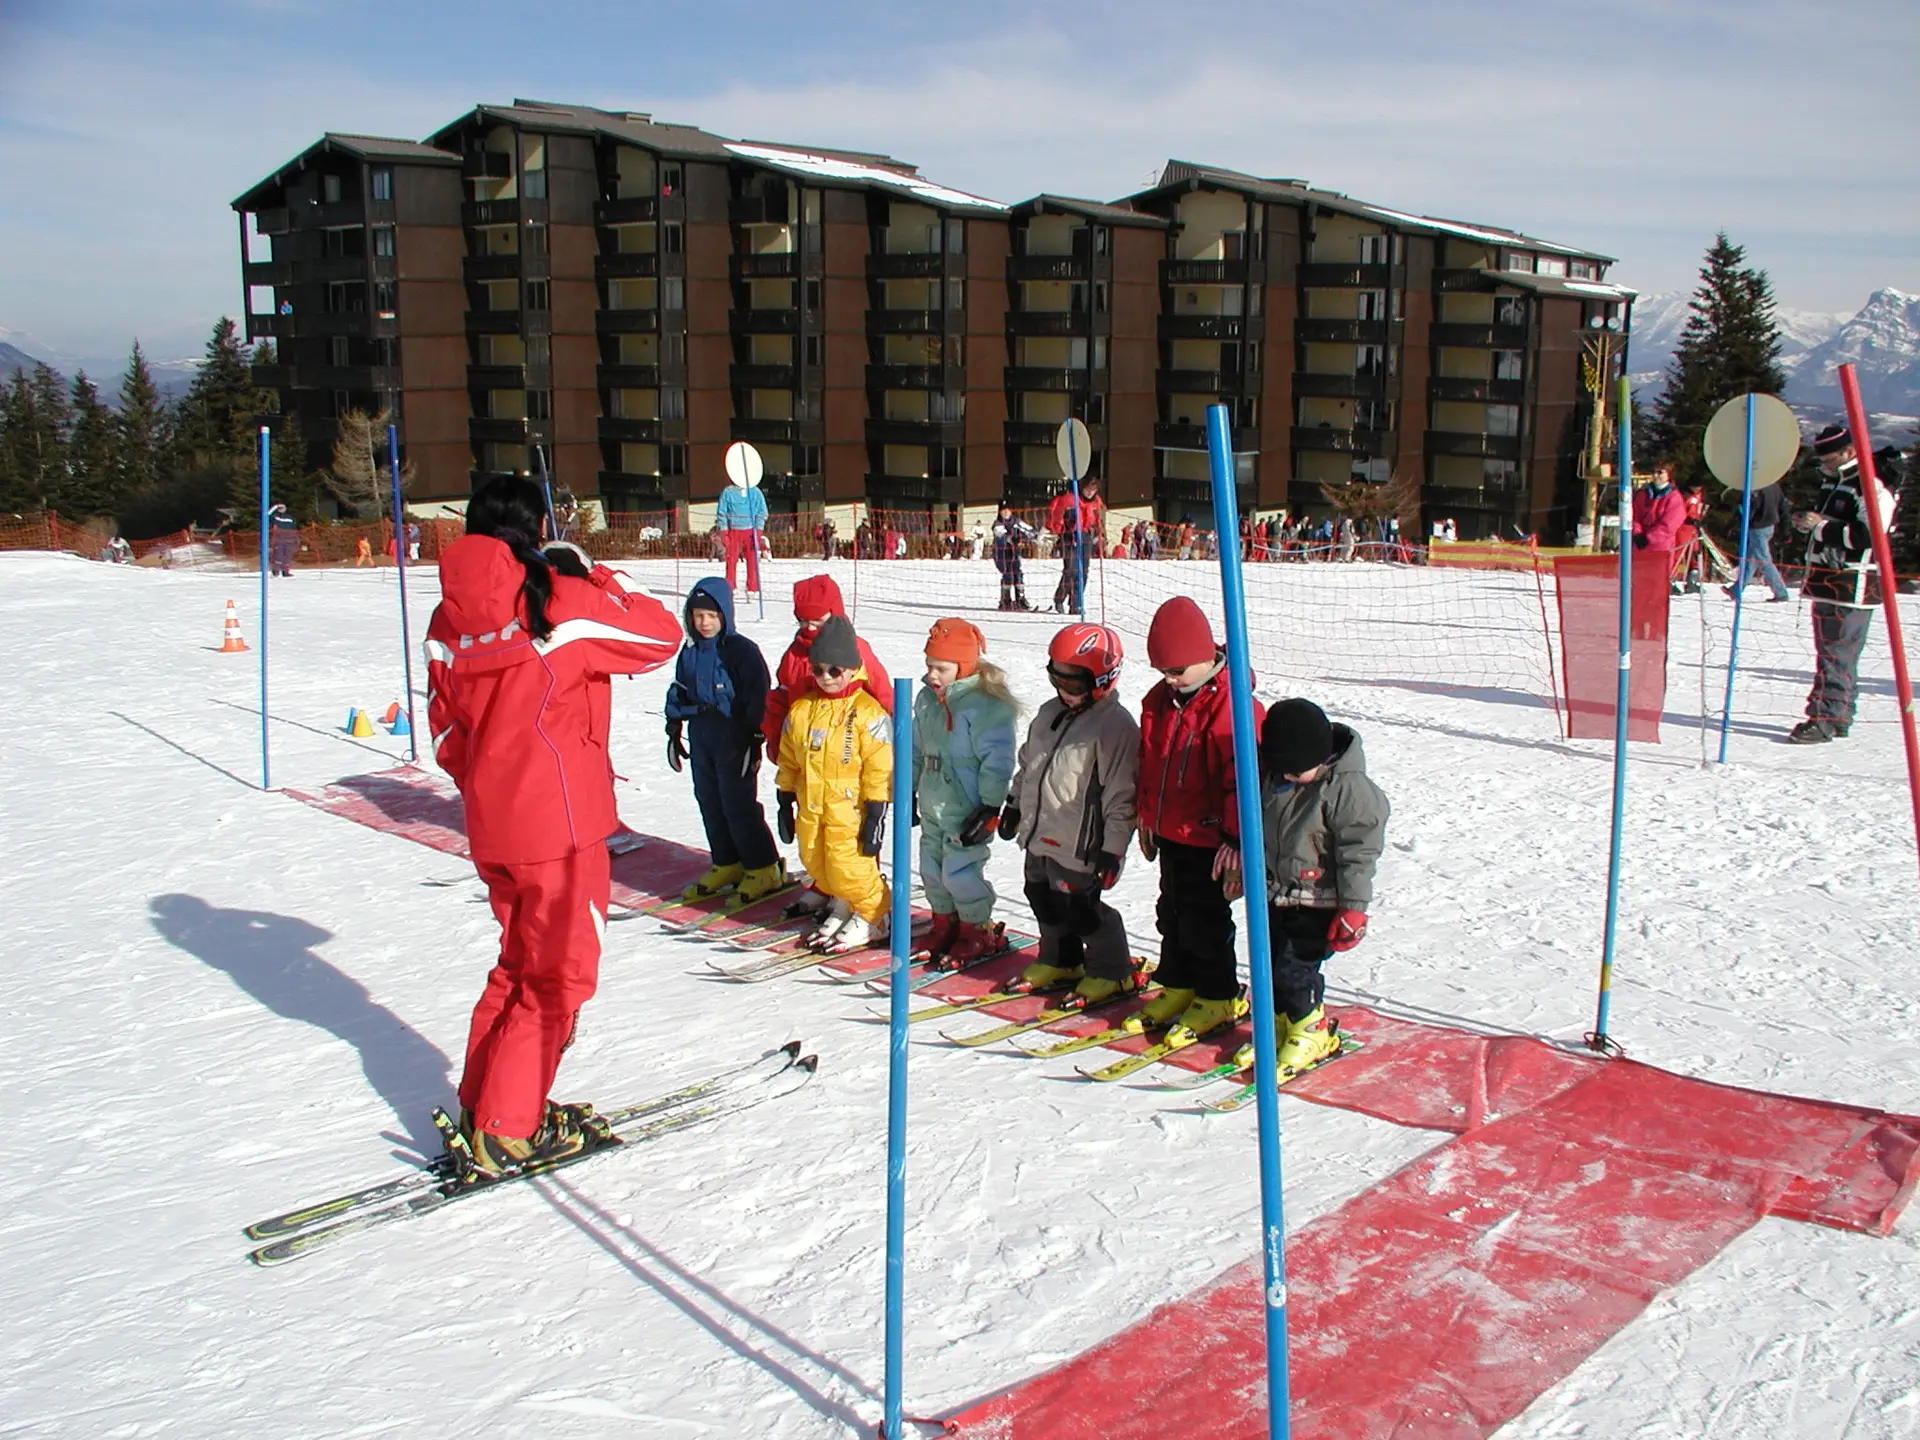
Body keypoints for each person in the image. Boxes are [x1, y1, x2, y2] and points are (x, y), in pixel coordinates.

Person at [425, 476, 680, 1175]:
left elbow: (444, 727)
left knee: (519, 963)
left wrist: (487, 785)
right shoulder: (556, 602)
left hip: (494, 822)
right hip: (560, 824)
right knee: (559, 976)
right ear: (537, 528)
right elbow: (660, 635)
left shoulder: (448, 618)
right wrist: (600, 574)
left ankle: (491, 1105)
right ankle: (509, 1126)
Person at [1130, 597, 1260, 1045]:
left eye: (1177, 671)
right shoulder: (1160, 700)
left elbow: (1242, 777)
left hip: (1210, 838)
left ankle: (1218, 993)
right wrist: (1146, 815)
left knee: (1204, 919)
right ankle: (1180, 984)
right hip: (1171, 830)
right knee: (1171, 912)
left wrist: (1236, 836)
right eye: (1163, 672)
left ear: (1205, 658)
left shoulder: (1231, 706)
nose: (1169, 680)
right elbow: (1150, 761)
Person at [1001, 623, 1140, 1004]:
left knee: (1081, 909)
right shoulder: (1049, 713)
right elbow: (1029, 763)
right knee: (1040, 896)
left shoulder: (1115, 727)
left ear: (1102, 679)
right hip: (1039, 832)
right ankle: (1060, 960)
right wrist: (1014, 804)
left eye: (1074, 684)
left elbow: (1122, 797)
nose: (1063, 690)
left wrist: (1113, 849)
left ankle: (1113, 971)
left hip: (1079, 841)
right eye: (1056, 679)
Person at [1252, 698, 1390, 1078]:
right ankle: (1286, 1023)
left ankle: (1312, 1031)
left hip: (1320, 899)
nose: (1289, 779)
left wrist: (1354, 906)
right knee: (1270, 964)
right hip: (1278, 893)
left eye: (1298, 772)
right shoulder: (1276, 774)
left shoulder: (1350, 791)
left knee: (1294, 970)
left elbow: (1359, 852)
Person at [664, 576, 786, 909]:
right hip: (702, 732)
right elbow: (679, 689)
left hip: (734, 733)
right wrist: (674, 725)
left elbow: (758, 693)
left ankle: (762, 866)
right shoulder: (689, 653)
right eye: (697, 615)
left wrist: (755, 734)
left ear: (725, 616)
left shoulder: (741, 651)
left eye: (711, 616)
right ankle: (727, 861)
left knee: (737, 802)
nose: (704, 623)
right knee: (709, 799)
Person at [774, 615, 893, 953]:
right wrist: (785, 796)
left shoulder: (867, 713)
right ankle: (844, 904)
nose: (825, 678)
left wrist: (875, 810)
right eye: (818, 670)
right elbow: (789, 756)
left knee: (849, 864)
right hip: (812, 803)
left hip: (849, 807)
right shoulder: (801, 710)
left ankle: (874, 914)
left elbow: (879, 764)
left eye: (834, 671)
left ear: (853, 670)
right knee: (817, 860)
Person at [912, 618, 1018, 967]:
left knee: (959, 871)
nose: (932, 675)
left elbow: (997, 759)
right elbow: (915, 747)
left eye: (941, 668)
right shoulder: (926, 701)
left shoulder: (984, 705)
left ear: (964, 666)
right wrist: (910, 790)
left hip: (966, 807)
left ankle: (977, 929)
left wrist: (990, 805)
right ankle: (944, 922)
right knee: (930, 867)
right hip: (932, 801)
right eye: (929, 666)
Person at [1788, 424, 1893, 743]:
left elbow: (1867, 535)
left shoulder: (1868, 485)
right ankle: (1839, 712)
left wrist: (1820, 528)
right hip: (1829, 581)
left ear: (1849, 452)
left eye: (1830, 460)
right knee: (1831, 651)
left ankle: (1826, 716)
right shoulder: (1837, 482)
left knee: (1838, 652)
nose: (1825, 467)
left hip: (1852, 584)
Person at [763, 575, 893, 760]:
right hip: (803, 750)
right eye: (804, 622)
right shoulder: (795, 654)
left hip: (848, 751)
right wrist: (777, 740)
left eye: (818, 622)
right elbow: (781, 699)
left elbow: (882, 697)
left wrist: (886, 742)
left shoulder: (855, 650)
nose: (810, 629)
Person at [1724, 478, 1792, 603]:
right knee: (1751, 560)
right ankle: (1736, 589)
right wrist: (1785, 528)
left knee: (1764, 560)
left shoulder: (1756, 489)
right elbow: (1783, 507)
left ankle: (1781, 592)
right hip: (1769, 525)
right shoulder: (1774, 485)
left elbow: (1749, 509)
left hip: (1758, 527)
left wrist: (1735, 524)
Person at [1047, 476, 1106, 612]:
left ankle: (1076, 603)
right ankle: (1059, 598)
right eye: (1088, 489)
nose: (1090, 492)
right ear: (1082, 488)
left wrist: (1099, 534)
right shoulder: (1069, 499)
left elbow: (1098, 520)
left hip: (1086, 536)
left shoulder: (1096, 502)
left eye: (1094, 489)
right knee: (1071, 570)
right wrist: (1062, 529)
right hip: (1069, 536)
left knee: (1083, 572)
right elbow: (1056, 518)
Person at [713, 464, 768, 595]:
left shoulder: (755, 492)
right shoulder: (728, 492)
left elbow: (762, 512)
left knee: (752, 561)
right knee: (731, 560)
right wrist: (724, 531)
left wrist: (759, 530)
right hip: (733, 531)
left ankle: (752, 587)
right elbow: (722, 512)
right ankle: (730, 586)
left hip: (751, 531)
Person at [1631, 462, 1685, 563]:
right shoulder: (1643, 494)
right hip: (1639, 546)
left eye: (1660, 472)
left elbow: (1669, 525)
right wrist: (1637, 533)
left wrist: (1649, 538)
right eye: (1654, 472)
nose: (1656, 475)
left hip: (1661, 547)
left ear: (1669, 475)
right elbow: (1635, 516)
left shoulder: (1674, 497)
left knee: (1657, 577)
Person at [990, 502, 1037, 611]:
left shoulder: (1016, 521)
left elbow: (1027, 529)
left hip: (1014, 552)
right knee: (1008, 574)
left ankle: (1020, 599)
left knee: (1018, 573)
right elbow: (1001, 534)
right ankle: (1005, 600)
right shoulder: (998, 523)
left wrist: (1035, 536)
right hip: (1001, 553)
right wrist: (1012, 539)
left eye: (1008, 510)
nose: (1006, 512)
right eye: (1003, 510)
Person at [266, 503, 299, 578]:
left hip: (289, 539)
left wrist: (295, 538)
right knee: (278, 555)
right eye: (280, 508)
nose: (282, 509)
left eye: (283, 507)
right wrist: (276, 506)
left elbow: (293, 528)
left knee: (287, 556)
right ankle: (276, 571)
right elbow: (267, 514)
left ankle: (285, 571)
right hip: (278, 539)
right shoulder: (275, 516)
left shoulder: (290, 517)